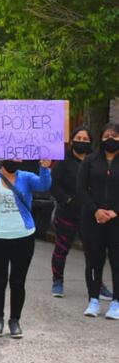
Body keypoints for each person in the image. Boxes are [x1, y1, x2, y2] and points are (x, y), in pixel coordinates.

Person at [0, 139, 52, 337]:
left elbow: (44, 185)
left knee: (18, 281)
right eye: (10, 154)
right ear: (1, 156)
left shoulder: (26, 177)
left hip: (23, 237)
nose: (14, 158)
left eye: (18, 155)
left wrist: (45, 167)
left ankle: (14, 321)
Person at [50, 127, 112, 299]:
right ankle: (57, 281)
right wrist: (67, 200)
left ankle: (97, 285)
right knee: (61, 249)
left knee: (93, 252)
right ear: (72, 140)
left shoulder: (95, 161)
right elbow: (54, 185)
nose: (82, 142)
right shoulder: (63, 161)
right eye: (79, 138)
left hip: (91, 215)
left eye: (86, 139)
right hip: (67, 214)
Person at [75, 123, 119, 319]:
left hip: (116, 220)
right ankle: (93, 300)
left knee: (116, 260)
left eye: (115, 135)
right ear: (100, 139)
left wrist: (115, 212)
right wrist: (96, 210)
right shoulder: (90, 161)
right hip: (93, 218)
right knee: (94, 259)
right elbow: (81, 189)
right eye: (107, 135)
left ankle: (116, 302)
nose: (111, 139)